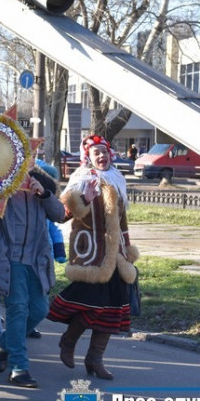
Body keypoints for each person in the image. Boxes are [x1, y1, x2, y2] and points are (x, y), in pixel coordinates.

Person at [47, 134, 139, 380]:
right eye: (96, 152)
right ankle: (69, 341)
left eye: (104, 152)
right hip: (90, 254)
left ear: (110, 154)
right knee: (92, 304)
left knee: (112, 309)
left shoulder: (117, 180)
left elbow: (122, 220)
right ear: (88, 157)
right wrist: (84, 198)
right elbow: (62, 214)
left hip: (115, 254)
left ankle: (95, 358)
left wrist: (127, 248)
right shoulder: (80, 179)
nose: (101, 156)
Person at [0, 158, 65, 388]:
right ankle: (18, 367)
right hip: (9, 260)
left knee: (39, 309)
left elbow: (59, 214)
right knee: (18, 310)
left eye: (27, 162)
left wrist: (44, 194)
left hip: (36, 261)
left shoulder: (40, 186)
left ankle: (4, 342)